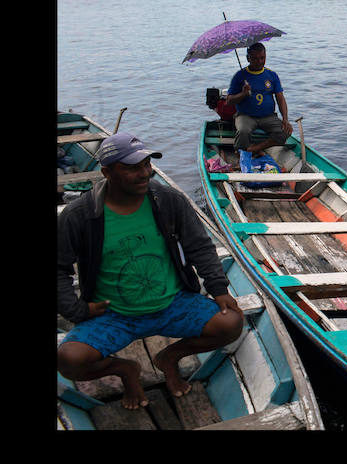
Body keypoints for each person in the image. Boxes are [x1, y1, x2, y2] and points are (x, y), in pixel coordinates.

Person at [57, 132, 244, 410]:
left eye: (147, 164)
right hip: (114, 314)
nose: (145, 173)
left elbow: (199, 246)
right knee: (69, 360)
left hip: (172, 303)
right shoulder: (79, 215)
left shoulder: (168, 200)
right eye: (133, 167)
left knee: (231, 324)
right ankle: (125, 370)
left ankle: (170, 357)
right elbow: (59, 270)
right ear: (106, 172)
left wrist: (218, 287)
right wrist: (77, 311)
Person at [225, 42, 293, 156]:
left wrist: (285, 119)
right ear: (248, 58)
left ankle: (255, 148)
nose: (259, 61)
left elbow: (280, 98)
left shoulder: (272, 75)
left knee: (285, 131)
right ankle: (240, 153)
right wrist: (243, 94)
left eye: (262, 58)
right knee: (243, 131)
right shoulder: (239, 76)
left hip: (268, 117)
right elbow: (229, 101)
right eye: (255, 58)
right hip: (246, 116)